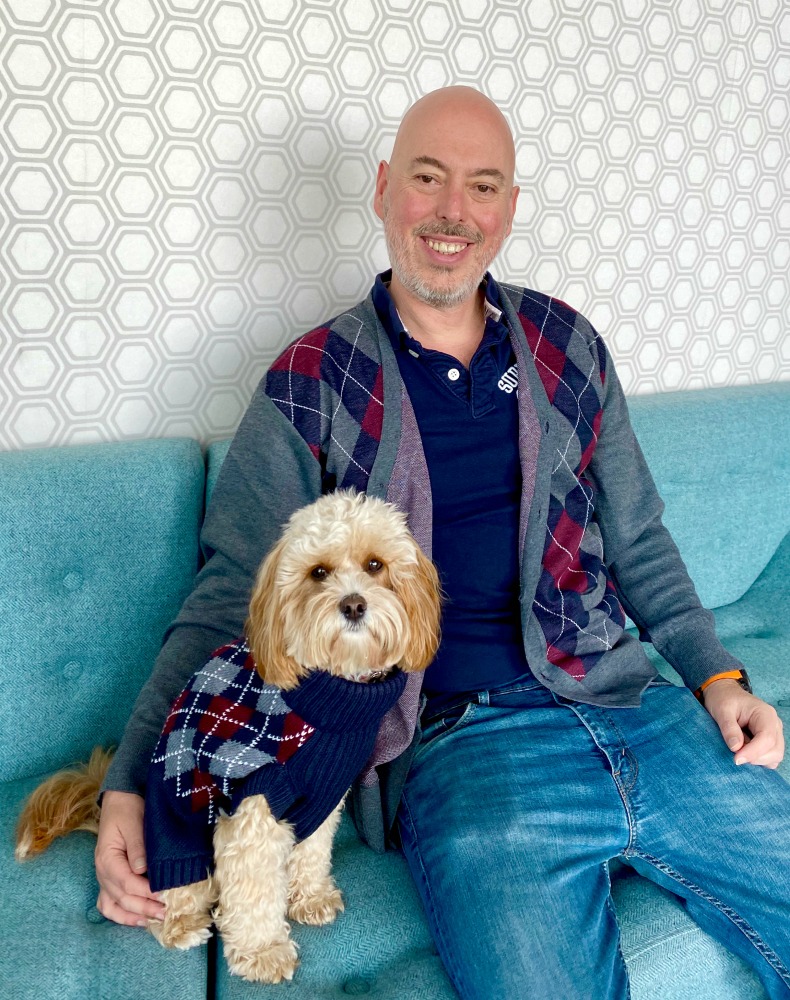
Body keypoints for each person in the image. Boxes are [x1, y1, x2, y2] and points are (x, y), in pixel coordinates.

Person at [96, 87, 789, 998]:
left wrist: (719, 677)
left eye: (483, 186)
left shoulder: (567, 346)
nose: (453, 212)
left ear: (506, 209)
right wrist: (131, 780)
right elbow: (230, 596)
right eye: (428, 178)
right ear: (386, 190)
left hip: (635, 706)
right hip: (461, 751)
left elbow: (643, 541)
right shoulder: (310, 382)